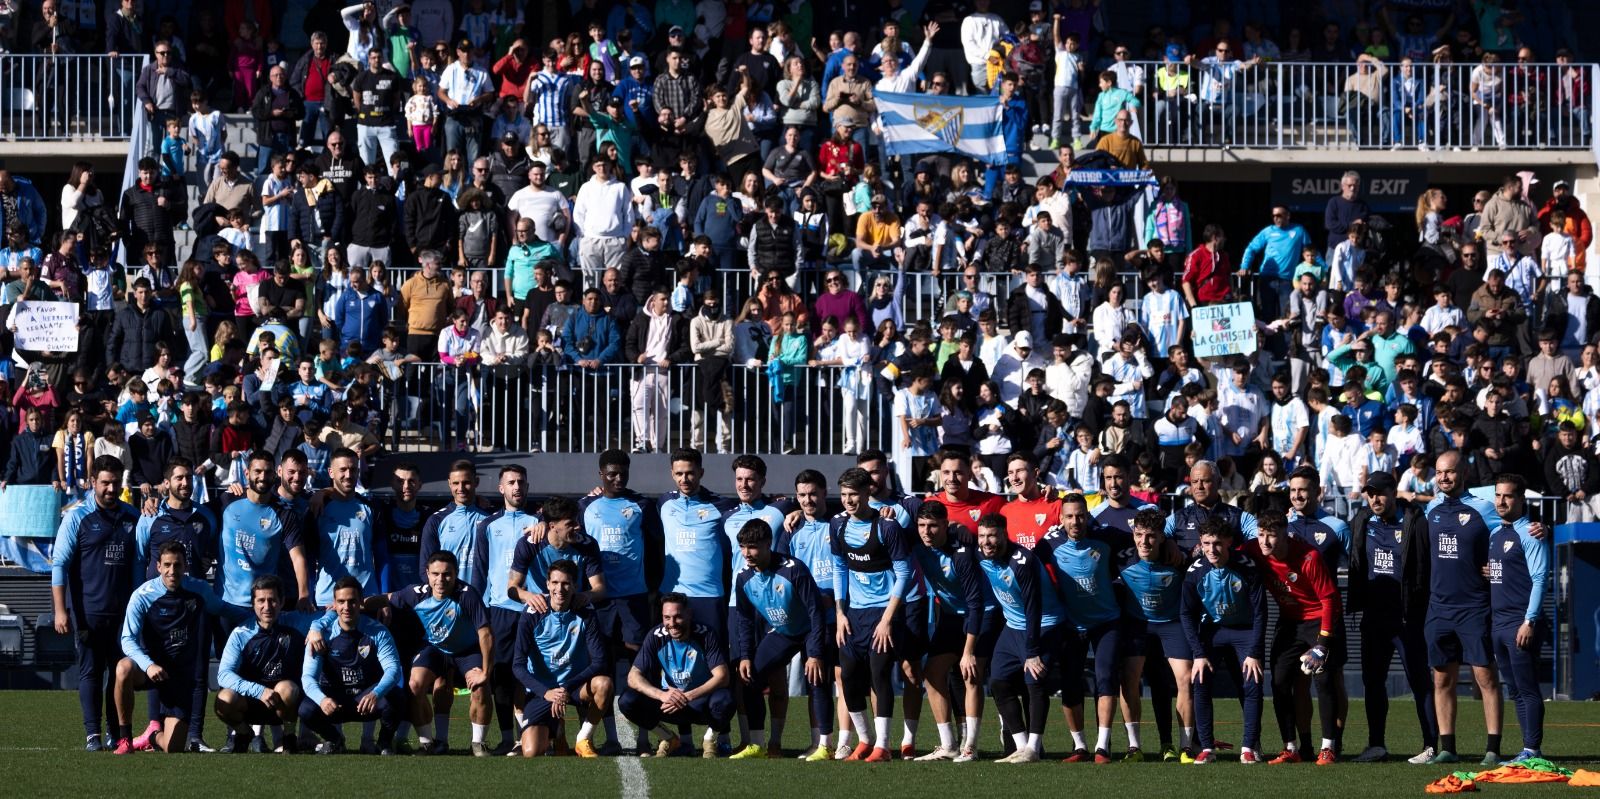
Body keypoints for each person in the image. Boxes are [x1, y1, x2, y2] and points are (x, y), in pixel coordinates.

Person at [112, 542, 243, 754]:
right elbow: (127, 640)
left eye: (177, 565)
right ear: (158, 566)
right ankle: (125, 739)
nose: (172, 571)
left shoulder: (199, 590)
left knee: (173, 748)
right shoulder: (142, 595)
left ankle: (152, 736)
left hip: (179, 677)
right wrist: (148, 665)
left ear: (185, 566)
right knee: (123, 668)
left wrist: (261, 616)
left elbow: (223, 609)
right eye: (167, 565)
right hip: (149, 670)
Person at [51, 455, 142, 751]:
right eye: (105, 483)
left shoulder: (132, 516)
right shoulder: (77, 517)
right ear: (93, 483)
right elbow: (59, 565)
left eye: (116, 483)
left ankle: (115, 733)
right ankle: (92, 734)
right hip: (89, 611)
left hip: (124, 613)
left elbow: (140, 564)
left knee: (119, 672)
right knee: (91, 671)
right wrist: (61, 610)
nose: (111, 489)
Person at [1347, 471, 1438, 763]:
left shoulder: (1416, 521)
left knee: (1419, 681)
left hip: (1407, 619)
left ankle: (1431, 745)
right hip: (1374, 617)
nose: (1375, 499)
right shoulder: (1362, 520)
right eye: (1370, 493)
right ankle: (1376, 745)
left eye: (1380, 492)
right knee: (1373, 682)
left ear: (1393, 491)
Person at [1422, 450, 1505, 765]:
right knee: (1442, 679)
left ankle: (1493, 750)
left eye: (1450, 472)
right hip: (1439, 607)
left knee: (1485, 678)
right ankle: (1447, 748)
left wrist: (1538, 531)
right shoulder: (1430, 508)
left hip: (1474, 606)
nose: (1444, 478)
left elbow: (1511, 532)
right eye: (1440, 472)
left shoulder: (1485, 509)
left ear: (1464, 473)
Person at [371, 550, 494, 756]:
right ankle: (427, 743)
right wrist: (355, 603)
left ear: (455, 574)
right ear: (427, 573)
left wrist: (485, 672)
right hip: (435, 649)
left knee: (481, 688)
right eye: (435, 574)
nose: (441, 579)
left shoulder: (467, 594)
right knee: (414, 685)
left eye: (447, 574)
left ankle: (478, 744)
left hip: (465, 651)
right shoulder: (417, 593)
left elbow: (486, 635)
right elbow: (386, 598)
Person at [831, 467, 916, 762]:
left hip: (885, 613)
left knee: (879, 675)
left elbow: (904, 574)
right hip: (853, 614)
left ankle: (883, 745)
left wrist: (887, 619)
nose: (848, 500)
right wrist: (840, 613)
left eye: (853, 494)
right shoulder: (838, 526)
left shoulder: (887, 527)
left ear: (868, 492)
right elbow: (839, 569)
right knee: (848, 676)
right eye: (843, 495)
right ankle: (864, 740)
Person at [1245, 511, 1344, 766]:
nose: (1265, 542)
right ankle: (1291, 748)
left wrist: (1322, 643)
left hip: (1317, 621)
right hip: (1289, 622)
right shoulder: (1255, 550)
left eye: (1272, 536)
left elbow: (1330, 599)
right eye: (1261, 535)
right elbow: (1229, 552)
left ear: (1285, 535)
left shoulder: (1309, 556)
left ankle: (1328, 748)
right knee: (1278, 681)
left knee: (1323, 681)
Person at [1035, 494, 1125, 763]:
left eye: (1080, 515)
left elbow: (1141, 546)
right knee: (1070, 683)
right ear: (1061, 518)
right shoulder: (1048, 543)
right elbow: (1026, 568)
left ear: (1087, 516)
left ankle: (1102, 747)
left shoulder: (1107, 537)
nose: (1076, 521)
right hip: (1071, 624)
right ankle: (1080, 747)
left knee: (1105, 677)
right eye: (1070, 516)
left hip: (1107, 621)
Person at [729, 518, 827, 759]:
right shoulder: (743, 578)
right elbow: (744, 620)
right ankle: (758, 745)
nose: (747, 553)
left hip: (810, 631)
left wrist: (814, 653)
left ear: (768, 544)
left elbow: (815, 612)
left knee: (817, 681)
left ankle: (823, 745)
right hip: (783, 632)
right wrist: (745, 656)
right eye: (742, 546)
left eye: (752, 547)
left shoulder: (794, 568)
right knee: (750, 678)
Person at [972, 512, 1061, 763]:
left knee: (1034, 681)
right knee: (999, 682)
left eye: (992, 535)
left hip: (1044, 623)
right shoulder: (980, 554)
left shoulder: (1022, 561)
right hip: (1013, 627)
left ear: (1004, 534)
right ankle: (1021, 747)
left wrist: (1032, 651)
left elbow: (1034, 606)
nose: (986, 541)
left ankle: (1034, 748)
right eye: (982, 536)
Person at [904, 501, 989, 762]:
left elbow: (976, 603)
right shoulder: (916, 543)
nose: (926, 531)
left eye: (932, 526)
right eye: (921, 525)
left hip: (983, 615)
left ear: (944, 525)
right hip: (951, 616)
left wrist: (968, 651)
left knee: (970, 675)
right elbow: (901, 501)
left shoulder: (961, 552)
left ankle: (970, 747)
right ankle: (948, 744)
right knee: (932, 673)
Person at [1181, 516, 1267, 765]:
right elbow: (1186, 614)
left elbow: (1261, 612)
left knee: (1253, 684)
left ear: (1229, 542)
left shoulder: (1248, 567)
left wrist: (1254, 651)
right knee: (1200, 680)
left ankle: (1249, 746)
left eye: (1217, 543)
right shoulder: (1195, 572)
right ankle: (1207, 747)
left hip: (1244, 631)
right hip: (1212, 632)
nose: (1211, 549)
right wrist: (1198, 653)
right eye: (1206, 543)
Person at [511, 558, 612, 757]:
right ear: (547, 584)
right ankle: (556, 730)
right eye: (555, 583)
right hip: (544, 690)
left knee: (604, 684)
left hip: (574, 686)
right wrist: (547, 692)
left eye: (566, 583)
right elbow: (518, 666)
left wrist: (565, 688)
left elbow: (600, 660)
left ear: (575, 585)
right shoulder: (532, 613)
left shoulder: (586, 612)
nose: (560, 589)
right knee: (531, 752)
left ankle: (583, 739)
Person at [619, 592, 735, 757]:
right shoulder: (656, 636)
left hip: (700, 704)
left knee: (726, 699)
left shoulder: (705, 634)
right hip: (669, 704)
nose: (672, 623)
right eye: (667, 618)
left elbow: (722, 676)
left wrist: (688, 696)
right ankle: (668, 738)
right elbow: (633, 677)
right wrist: (661, 695)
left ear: (689, 614)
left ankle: (710, 740)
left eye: (677, 617)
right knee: (627, 700)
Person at [214, 574, 321, 754]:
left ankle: (288, 737)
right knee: (224, 699)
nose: (267, 607)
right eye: (261, 600)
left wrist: (317, 628)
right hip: (252, 702)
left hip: (285, 703)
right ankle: (243, 732)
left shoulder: (295, 622)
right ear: (253, 603)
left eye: (272, 600)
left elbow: (333, 616)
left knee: (287, 688)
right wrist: (259, 691)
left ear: (282, 601)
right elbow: (223, 675)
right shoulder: (241, 633)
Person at [1117, 509, 1192, 761]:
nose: (1144, 542)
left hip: (1171, 625)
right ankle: (1134, 747)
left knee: (1186, 679)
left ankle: (1185, 747)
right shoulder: (1121, 560)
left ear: (1162, 537)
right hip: (1138, 626)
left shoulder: (1177, 560)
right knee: (1129, 677)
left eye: (1151, 536)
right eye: (1139, 535)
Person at [1486, 473, 1551, 764]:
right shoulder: (1496, 533)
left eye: (1508, 495)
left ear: (1521, 499)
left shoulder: (1531, 533)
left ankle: (1533, 749)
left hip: (1519, 623)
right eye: (1498, 495)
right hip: (1498, 624)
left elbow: (1539, 579)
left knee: (1527, 688)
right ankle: (1527, 749)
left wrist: (1530, 620)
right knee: (1514, 690)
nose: (1501, 500)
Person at [300, 575, 404, 755]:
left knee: (397, 697)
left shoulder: (378, 631)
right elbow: (308, 677)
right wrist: (322, 699)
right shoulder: (320, 634)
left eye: (352, 601)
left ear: (361, 603)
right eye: (341, 602)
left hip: (365, 699)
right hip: (334, 700)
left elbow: (393, 670)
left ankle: (384, 743)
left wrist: (375, 693)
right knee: (306, 709)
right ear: (334, 603)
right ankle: (335, 740)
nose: (346, 607)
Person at [218, 451, 312, 614]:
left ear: (274, 473)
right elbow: (195, 515)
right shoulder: (228, 500)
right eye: (258, 472)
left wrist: (303, 595)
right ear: (247, 473)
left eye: (267, 472)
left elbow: (298, 557)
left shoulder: (284, 512)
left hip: (265, 605)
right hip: (227, 602)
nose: (263, 477)